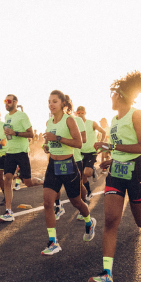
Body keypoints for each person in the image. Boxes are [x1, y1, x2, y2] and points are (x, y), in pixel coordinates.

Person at [88, 72, 141, 282]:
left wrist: (112, 148)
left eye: (113, 94)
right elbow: (121, 147)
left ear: (121, 95)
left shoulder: (137, 114)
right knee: (111, 220)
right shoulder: (114, 120)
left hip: (137, 173)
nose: (111, 98)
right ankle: (107, 274)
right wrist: (111, 159)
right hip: (116, 174)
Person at [40, 91, 96, 255]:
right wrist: (46, 146)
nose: (51, 104)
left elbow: (79, 143)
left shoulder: (69, 120)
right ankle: (53, 242)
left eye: (55, 101)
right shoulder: (49, 122)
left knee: (77, 202)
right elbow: (48, 139)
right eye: (49, 101)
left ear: (63, 104)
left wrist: (57, 138)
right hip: (53, 165)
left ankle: (89, 221)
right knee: (47, 203)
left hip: (68, 165)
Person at [0, 95, 43, 222]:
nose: (6, 103)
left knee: (27, 183)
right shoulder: (7, 117)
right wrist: (5, 142)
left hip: (22, 152)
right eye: (5, 101)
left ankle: (46, 183)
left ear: (15, 102)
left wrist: (15, 133)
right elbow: (8, 135)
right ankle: (8, 211)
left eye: (9, 101)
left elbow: (31, 134)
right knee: (7, 179)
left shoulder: (22, 116)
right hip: (10, 153)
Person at [76, 105, 106, 204]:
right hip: (80, 152)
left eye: (82, 112)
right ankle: (89, 192)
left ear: (85, 113)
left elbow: (103, 132)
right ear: (76, 113)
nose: (80, 114)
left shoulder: (92, 123)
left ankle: (92, 170)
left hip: (91, 152)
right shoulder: (75, 124)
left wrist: (100, 143)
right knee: (82, 177)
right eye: (78, 113)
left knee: (87, 173)